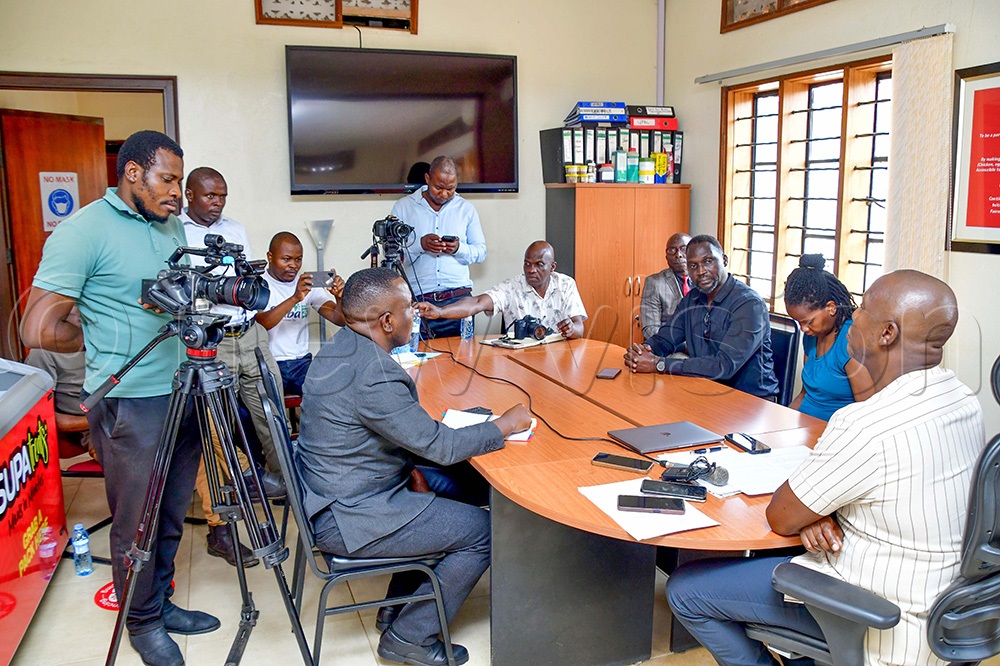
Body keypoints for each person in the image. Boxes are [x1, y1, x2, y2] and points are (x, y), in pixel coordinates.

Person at [666, 270, 984, 666]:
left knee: (685, 591)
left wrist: (811, 509)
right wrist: (822, 508)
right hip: (946, 609)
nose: (855, 314)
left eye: (863, 306)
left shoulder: (867, 423)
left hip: (879, 614)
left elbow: (782, 516)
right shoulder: (963, 401)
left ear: (887, 333)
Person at [20, 130, 219, 666]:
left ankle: (161, 600)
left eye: (179, 180)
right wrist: (97, 335)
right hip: (128, 400)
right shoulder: (84, 230)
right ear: (133, 172)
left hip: (182, 389)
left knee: (175, 508)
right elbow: (37, 327)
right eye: (168, 179)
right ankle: (142, 621)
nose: (177, 191)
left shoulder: (169, 222)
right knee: (138, 520)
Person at [297, 267, 531, 666]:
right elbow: (439, 445)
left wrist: (414, 462)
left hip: (337, 489)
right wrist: (504, 425)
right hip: (351, 514)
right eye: (408, 309)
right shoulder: (375, 373)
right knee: (483, 533)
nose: (415, 315)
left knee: (463, 485)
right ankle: (408, 638)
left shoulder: (341, 349)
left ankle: (396, 608)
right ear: (387, 321)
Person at [180, 166, 285, 568]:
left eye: (223, 196)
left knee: (272, 417)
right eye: (210, 196)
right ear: (191, 194)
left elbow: (240, 281)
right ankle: (220, 528)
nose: (218, 203)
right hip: (212, 340)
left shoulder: (236, 228)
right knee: (214, 434)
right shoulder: (175, 233)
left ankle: (285, 492)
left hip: (250, 334)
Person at [624, 235, 779, 400]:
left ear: (724, 260)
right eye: (693, 265)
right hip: (705, 389)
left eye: (708, 261)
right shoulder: (693, 299)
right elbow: (665, 339)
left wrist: (658, 364)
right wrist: (642, 352)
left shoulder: (750, 305)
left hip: (750, 401)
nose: (701, 271)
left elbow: (723, 366)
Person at [391, 156, 487, 339]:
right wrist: (420, 245)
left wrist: (458, 248)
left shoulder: (466, 209)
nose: (444, 194)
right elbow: (394, 257)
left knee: (464, 361)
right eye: (439, 188)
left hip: (459, 302)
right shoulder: (403, 207)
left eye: (450, 189)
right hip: (419, 303)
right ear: (427, 179)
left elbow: (480, 252)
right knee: (419, 363)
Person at [416, 240, 587, 340]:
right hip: (521, 362)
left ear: (552, 267)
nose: (531, 270)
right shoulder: (512, 287)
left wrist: (571, 330)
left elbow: (579, 328)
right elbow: (476, 302)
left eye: (539, 265)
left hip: (558, 359)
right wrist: (439, 311)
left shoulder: (566, 284)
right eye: (527, 264)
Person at [784, 254, 875, 420]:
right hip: (803, 429)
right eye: (799, 322)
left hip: (833, 435)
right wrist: (781, 422)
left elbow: (866, 412)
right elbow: (805, 394)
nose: (803, 329)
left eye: (808, 321)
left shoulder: (850, 340)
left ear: (831, 308)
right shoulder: (812, 336)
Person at [255, 231, 345, 397]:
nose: (294, 265)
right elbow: (261, 324)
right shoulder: (257, 284)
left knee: (329, 397)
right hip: (270, 363)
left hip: (301, 363)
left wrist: (339, 298)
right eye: (286, 259)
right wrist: (295, 298)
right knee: (263, 412)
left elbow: (338, 319)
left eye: (298, 259)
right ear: (270, 256)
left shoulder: (306, 284)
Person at [639, 232, 692, 339]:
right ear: (666, 257)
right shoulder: (654, 282)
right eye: (672, 250)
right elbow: (650, 328)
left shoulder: (705, 280)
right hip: (672, 347)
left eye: (684, 248)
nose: (678, 255)